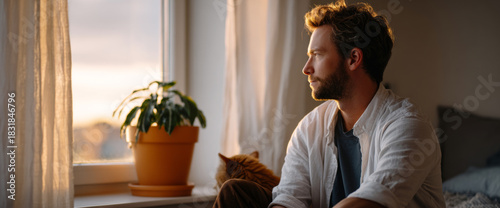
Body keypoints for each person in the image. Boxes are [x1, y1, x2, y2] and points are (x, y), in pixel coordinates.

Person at [214, 1, 445, 208]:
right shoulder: (310, 128)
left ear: (353, 59)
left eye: (317, 54)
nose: (306, 68)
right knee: (235, 192)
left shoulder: (408, 127)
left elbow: (372, 200)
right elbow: (289, 198)